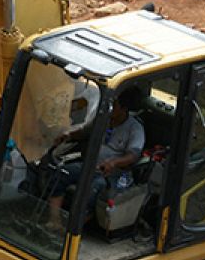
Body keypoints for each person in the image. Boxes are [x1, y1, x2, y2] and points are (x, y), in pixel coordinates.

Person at [45, 89, 144, 229]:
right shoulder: (103, 120)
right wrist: (68, 136)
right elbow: (84, 132)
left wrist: (114, 162)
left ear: (124, 108)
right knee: (61, 173)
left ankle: (73, 229)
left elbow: (133, 155)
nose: (110, 109)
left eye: (114, 106)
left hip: (110, 174)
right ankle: (54, 220)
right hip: (90, 165)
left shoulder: (135, 129)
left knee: (93, 189)